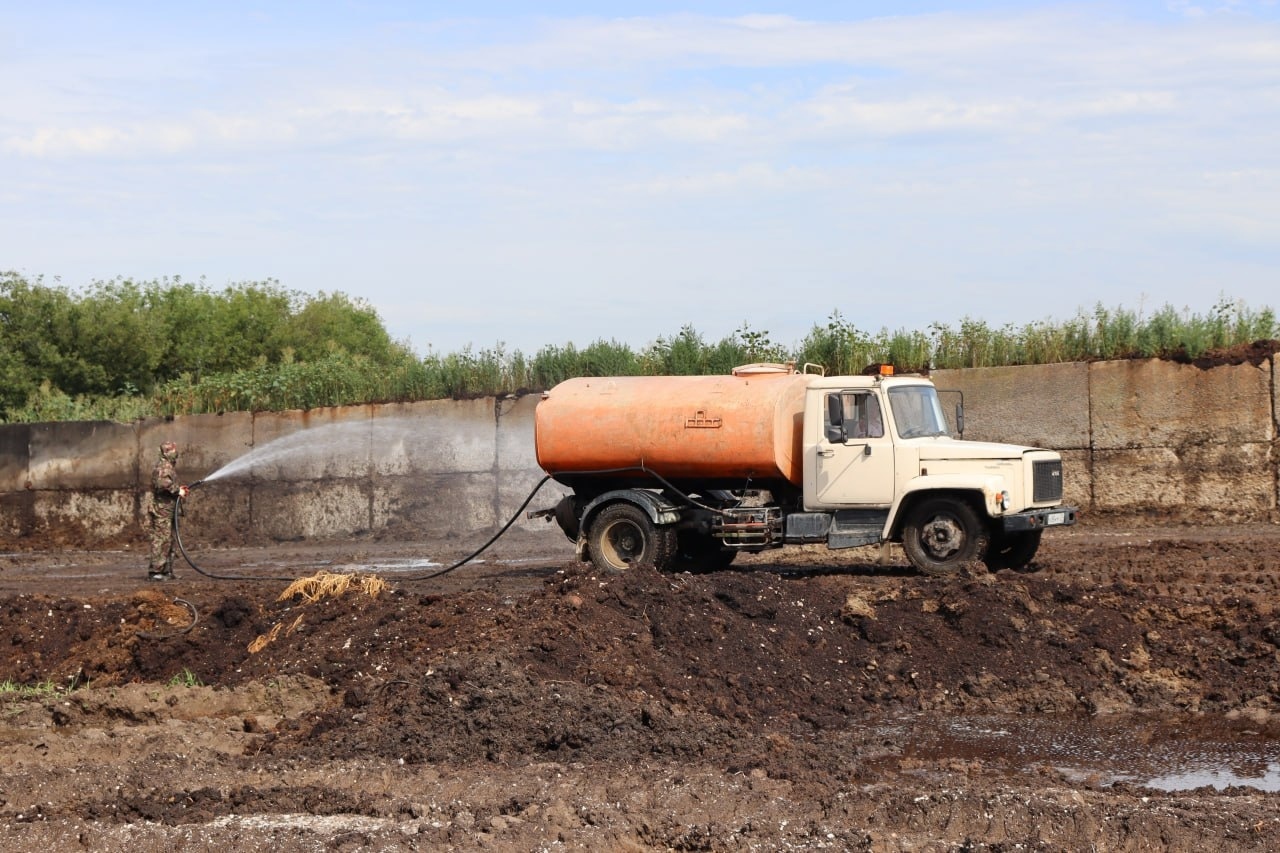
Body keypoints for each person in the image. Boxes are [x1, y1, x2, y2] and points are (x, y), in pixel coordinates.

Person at [146, 441, 189, 580]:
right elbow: (163, 485)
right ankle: (156, 571)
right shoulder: (163, 467)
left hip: (168, 509)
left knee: (170, 540)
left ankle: (167, 571)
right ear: (166, 452)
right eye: (172, 451)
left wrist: (178, 489)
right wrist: (178, 490)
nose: (175, 453)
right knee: (161, 539)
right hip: (161, 510)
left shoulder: (168, 466)